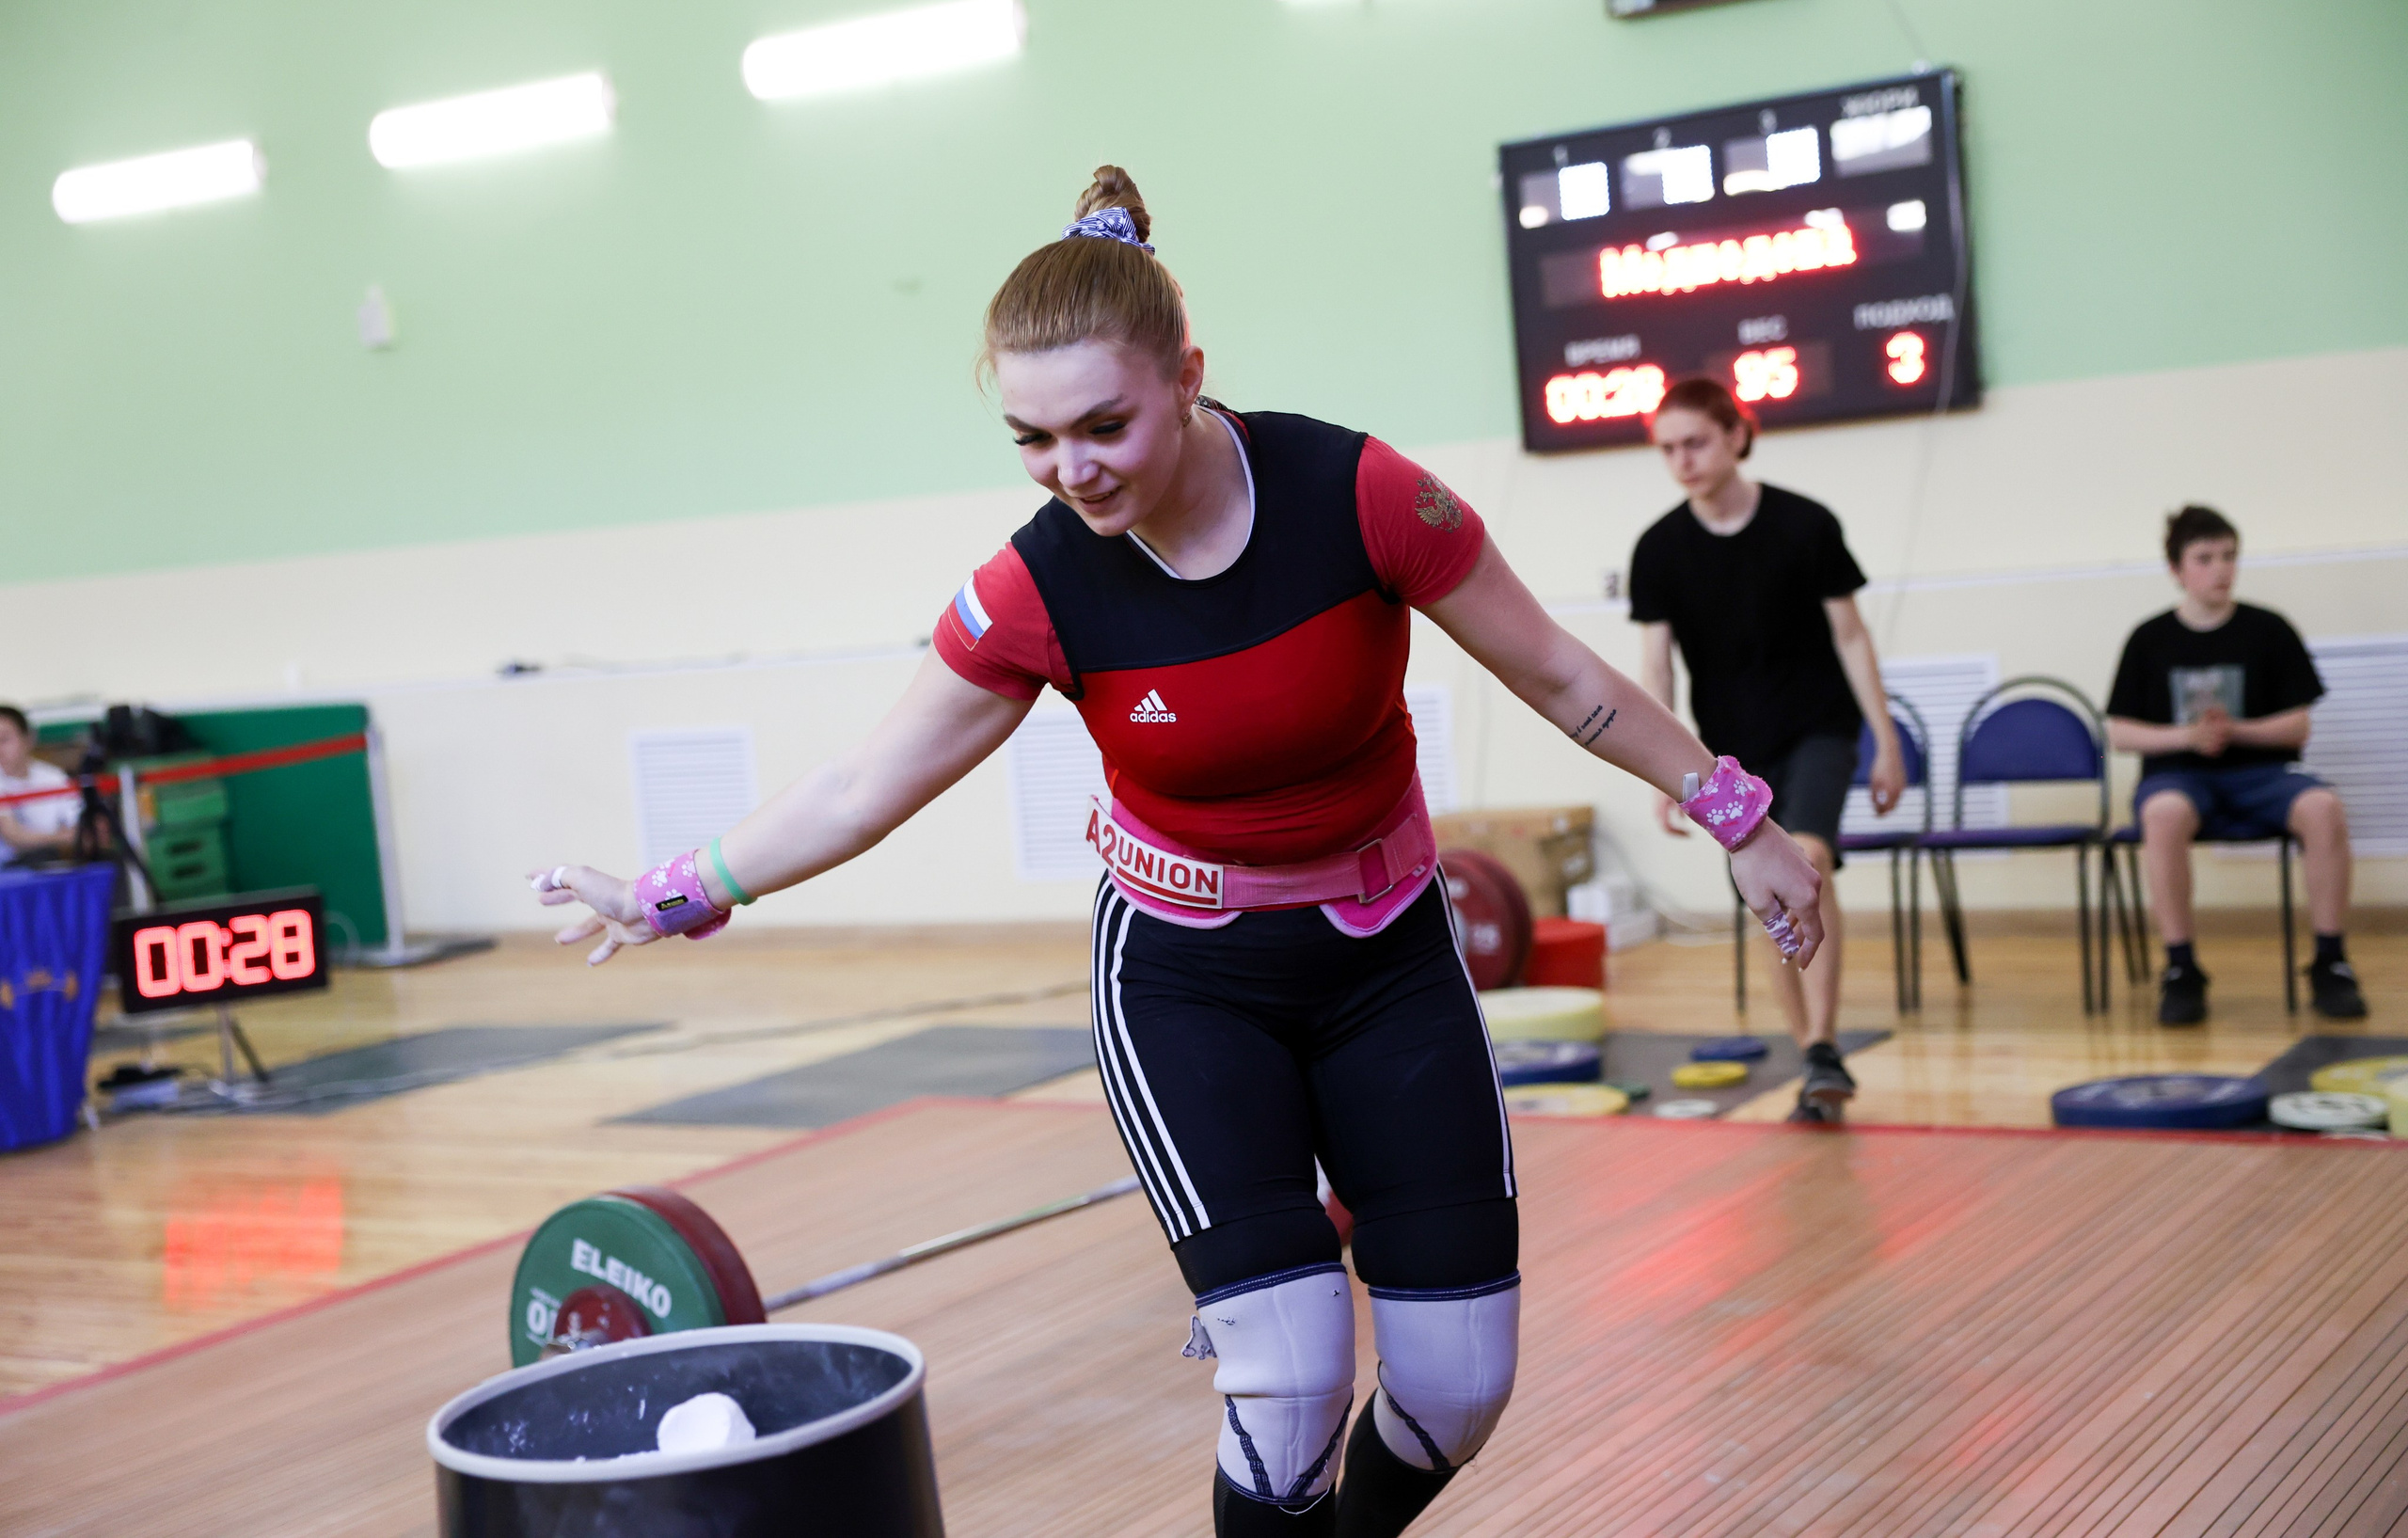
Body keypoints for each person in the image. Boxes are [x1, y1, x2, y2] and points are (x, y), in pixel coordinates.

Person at [531, 168, 1823, 1537]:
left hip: (1390, 959)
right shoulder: (1038, 584)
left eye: (1104, 424)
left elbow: (1563, 671)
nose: (1071, 467)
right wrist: (679, 886)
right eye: (1031, 437)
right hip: (1187, 978)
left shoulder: (1361, 493)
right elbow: (863, 785)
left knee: (1458, 1386)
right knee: (1291, 1373)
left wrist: (1739, 814)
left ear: (1189, 374)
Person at [1629, 376, 1903, 1123]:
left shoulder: (1806, 525)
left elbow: (1852, 635)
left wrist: (1885, 742)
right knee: (1765, 892)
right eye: (1668, 449)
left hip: (1820, 725)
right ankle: (1814, 1047)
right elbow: (1656, 670)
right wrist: (1660, 770)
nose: (1682, 460)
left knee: (1804, 856)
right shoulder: (1658, 549)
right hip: (1727, 756)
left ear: (1736, 436)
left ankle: (1821, 1047)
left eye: (1695, 442)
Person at [2104, 504, 2362, 1024]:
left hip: (2263, 774)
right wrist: (2188, 737)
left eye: (2229, 556)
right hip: (2180, 776)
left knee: (2323, 806)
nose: (2221, 569)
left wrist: (2234, 731)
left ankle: (2331, 962)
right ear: (2177, 570)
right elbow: (2118, 731)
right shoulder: (2148, 639)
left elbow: (2298, 726)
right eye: (2205, 558)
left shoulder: (2269, 629)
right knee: (2162, 815)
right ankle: (2182, 970)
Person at [0, 706, 79, 868]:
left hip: (55, 860)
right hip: (10, 871)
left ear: (28, 739)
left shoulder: (54, 777)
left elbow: (78, 827)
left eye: (4, 740)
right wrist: (61, 838)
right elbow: (14, 837)